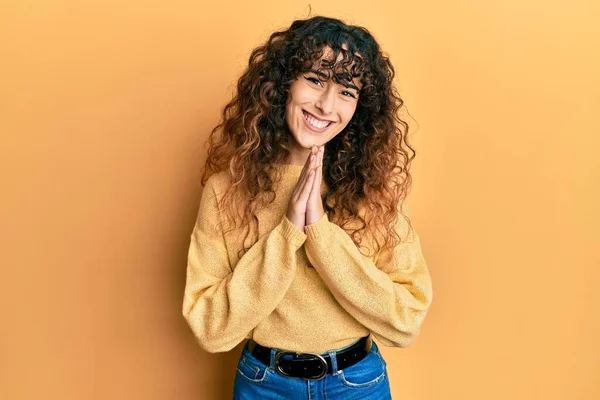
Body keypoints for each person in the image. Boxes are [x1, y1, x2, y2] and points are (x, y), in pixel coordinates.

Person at [182, 15, 433, 400]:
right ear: (283, 84)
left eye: (347, 91)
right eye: (315, 80)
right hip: (265, 386)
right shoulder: (225, 191)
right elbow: (210, 329)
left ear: (360, 109)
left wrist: (320, 232)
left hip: (357, 386)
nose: (326, 105)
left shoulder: (373, 192)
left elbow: (406, 321)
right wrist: (287, 232)